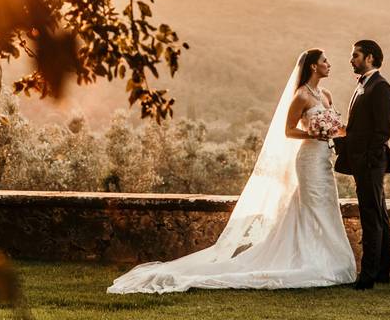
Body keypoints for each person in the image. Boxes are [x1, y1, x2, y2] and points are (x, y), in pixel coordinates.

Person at [107, 49, 356, 293]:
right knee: (310, 207)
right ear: (313, 66)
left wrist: (339, 132)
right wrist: (312, 133)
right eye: (325, 61)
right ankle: (309, 261)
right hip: (308, 158)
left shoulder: (326, 95)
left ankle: (330, 259)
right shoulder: (301, 96)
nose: (329, 64)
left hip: (324, 158)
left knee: (326, 205)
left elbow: (336, 126)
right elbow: (288, 131)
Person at [333, 40, 390, 289]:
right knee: (379, 214)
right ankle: (382, 271)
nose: (351, 60)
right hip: (363, 161)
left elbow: (382, 130)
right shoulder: (364, 85)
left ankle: (368, 276)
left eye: (355, 55)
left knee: (371, 218)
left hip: (371, 163)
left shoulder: (380, 87)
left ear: (369, 58)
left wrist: (369, 160)